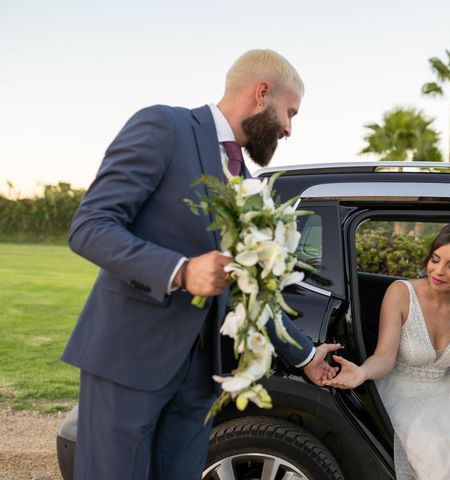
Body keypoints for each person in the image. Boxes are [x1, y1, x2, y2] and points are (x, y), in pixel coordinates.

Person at [62, 49, 340, 480]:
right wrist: (180, 271)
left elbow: (251, 289)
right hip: (130, 359)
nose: (288, 128)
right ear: (262, 92)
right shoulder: (164, 127)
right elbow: (91, 227)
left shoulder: (248, 183)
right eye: (290, 112)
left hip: (200, 377)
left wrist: (305, 357)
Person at [324, 221, 450, 479]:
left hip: (446, 388)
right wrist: (362, 373)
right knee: (436, 447)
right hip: (402, 390)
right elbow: (384, 357)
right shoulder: (400, 293)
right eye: (435, 259)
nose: (438, 271)